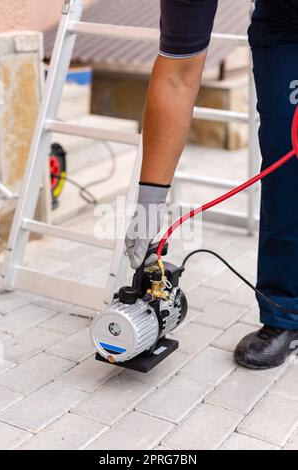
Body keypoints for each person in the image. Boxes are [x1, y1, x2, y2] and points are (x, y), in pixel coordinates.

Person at [125, 0, 298, 370]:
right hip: (286, 22)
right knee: (287, 162)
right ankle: (286, 312)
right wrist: (148, 205)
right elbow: (177, 74)